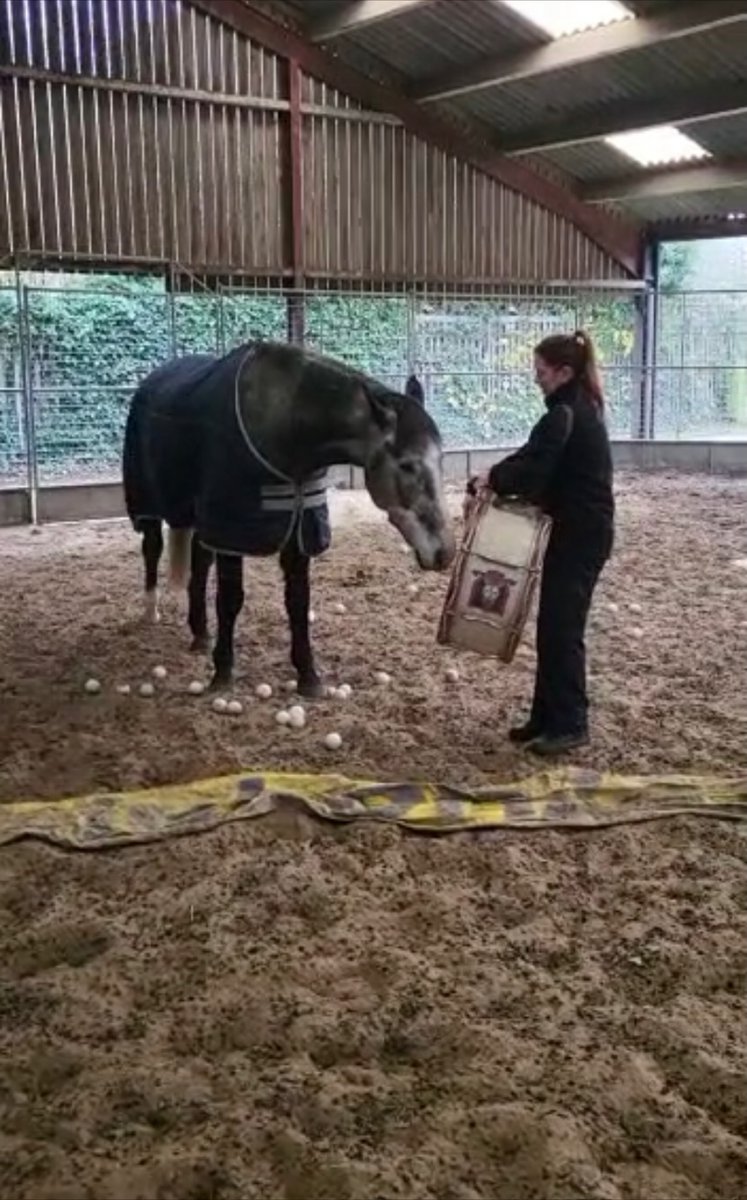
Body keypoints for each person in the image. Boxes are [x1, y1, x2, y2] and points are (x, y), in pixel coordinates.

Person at [465, 330, 614, 757]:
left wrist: (492, 479)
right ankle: (546, 717)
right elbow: (531, 456)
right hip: (578, 531)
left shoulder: (565, 414)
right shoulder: (570, 410)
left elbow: (533, 473)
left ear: (564, 372)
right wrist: (494, 475)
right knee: (553, 626)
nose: (537, 379)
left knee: (563, 630)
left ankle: (570, 722)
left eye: (542, 371)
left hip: (581, 534)